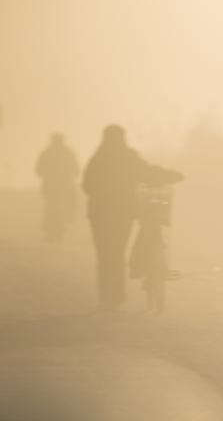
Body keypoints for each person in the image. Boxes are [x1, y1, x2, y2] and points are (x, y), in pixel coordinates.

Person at [82, 125, 183, 311]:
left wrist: (102, 194)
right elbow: (148, 172)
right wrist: (172, 176)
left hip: (100, 216)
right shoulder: (128, 158)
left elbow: (87, 185)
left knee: (105, 255)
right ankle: (117, 297)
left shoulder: (97, 160)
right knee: (117, 253)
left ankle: (107, 298)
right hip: (123, 214)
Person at [35, 133, 80, 243]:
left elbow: (39, 170)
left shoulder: (47, 153)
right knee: (58, 210)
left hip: (53, 187)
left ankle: (53, 232)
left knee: (53, 210)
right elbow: (76, 170)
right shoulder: (67, 153)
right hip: (62, 187)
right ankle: (56, 233)